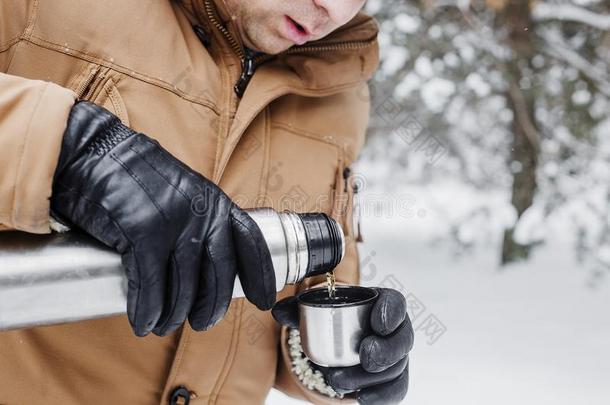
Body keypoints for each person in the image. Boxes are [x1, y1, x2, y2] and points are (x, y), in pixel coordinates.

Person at [0, 0, 413, 404]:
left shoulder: (341, 91)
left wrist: (334, 356)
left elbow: (306, 285)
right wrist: (72, 149)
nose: (336, 11)